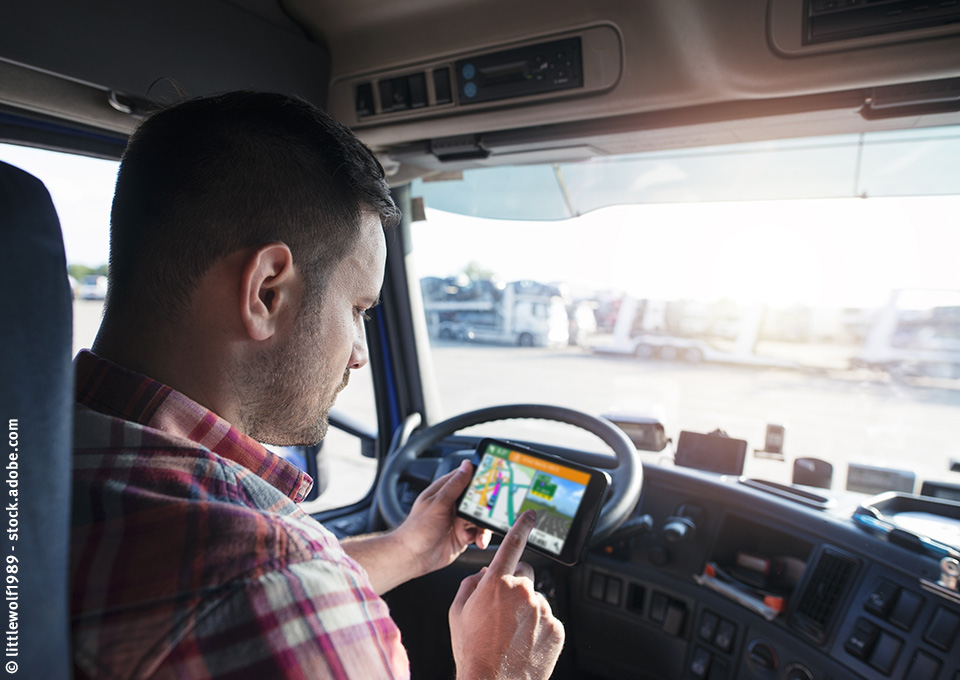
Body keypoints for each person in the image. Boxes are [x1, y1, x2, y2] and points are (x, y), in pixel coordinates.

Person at [70, 91, 564, 679]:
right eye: (357, 308)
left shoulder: (47, 443)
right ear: (266, 291)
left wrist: (410, 549)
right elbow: (272, 586)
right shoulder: (274, 586)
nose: (359, 354)